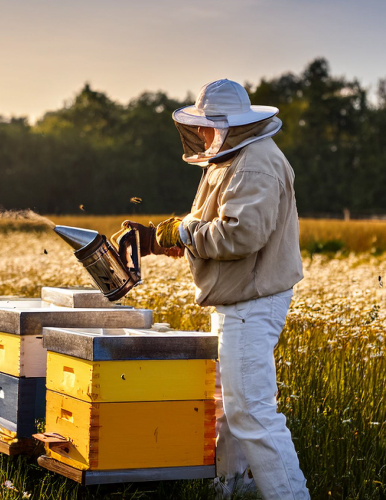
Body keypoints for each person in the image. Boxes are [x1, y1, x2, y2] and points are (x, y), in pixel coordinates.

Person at [116, 79, 309, 499]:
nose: (202, 134)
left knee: (253, 414)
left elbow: (240, 236)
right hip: (237, 300)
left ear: (227, 123)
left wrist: (185, 233)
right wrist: (159, 238)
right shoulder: (231, 159)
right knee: (229, 412)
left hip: (252, 303)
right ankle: (232, 490)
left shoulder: (255, 163)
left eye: (207, 126)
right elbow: (205, 224)